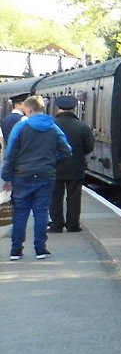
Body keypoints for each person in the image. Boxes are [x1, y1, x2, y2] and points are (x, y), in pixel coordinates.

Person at [2, 95, 72, 261]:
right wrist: (51, 160)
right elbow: (67, 150)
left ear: (30, 109)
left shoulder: (20, 127)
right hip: (45, 175)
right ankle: (40, 249)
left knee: (20, 213)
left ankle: (16, 250)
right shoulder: (53, 127)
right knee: (41, 212)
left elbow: (10, 153)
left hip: (22, 175)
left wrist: (7, 176)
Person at [49, 94, 95, 233]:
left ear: (58, 108)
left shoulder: (50, 126)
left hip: (53, 168)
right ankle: (73, 225)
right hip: (75, 168)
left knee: (54, 198)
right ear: (74, 109)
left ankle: (57, 225)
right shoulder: (82, 126)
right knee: (74, 197)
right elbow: (89, 147)